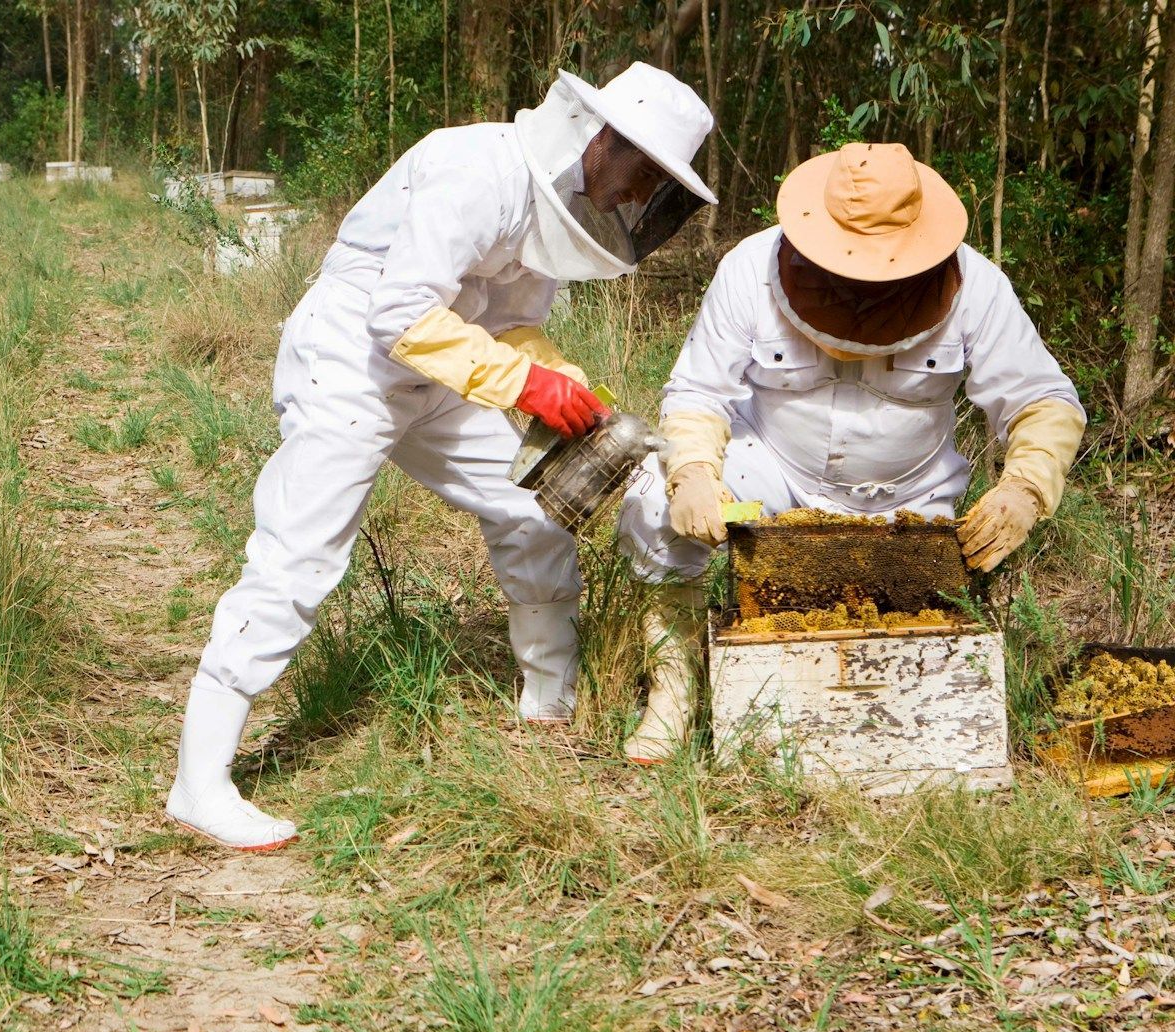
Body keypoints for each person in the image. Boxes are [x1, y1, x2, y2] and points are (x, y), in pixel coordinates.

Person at [167, 62, 718, 849]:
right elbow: (399, 312)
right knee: (301, 553)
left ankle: (549, 701)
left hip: (443, 369)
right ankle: (200, 780)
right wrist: (523, 384)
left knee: (533, 498)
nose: (638, 199)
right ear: (604, 138)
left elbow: (510, 324)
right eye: (643, 174)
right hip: (354, 361)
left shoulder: (555, 206)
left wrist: (561, 382)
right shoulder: (475, 167)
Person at [617, 141, 1086, 762]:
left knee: (909, 653)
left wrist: (1026, 485)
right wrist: (696, 473)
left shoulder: (976, 285)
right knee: (653, 497)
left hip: (913, 501)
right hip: (773, 484)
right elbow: (700, 390)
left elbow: (1043, 399)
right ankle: (674, 696)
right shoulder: (750, 268)